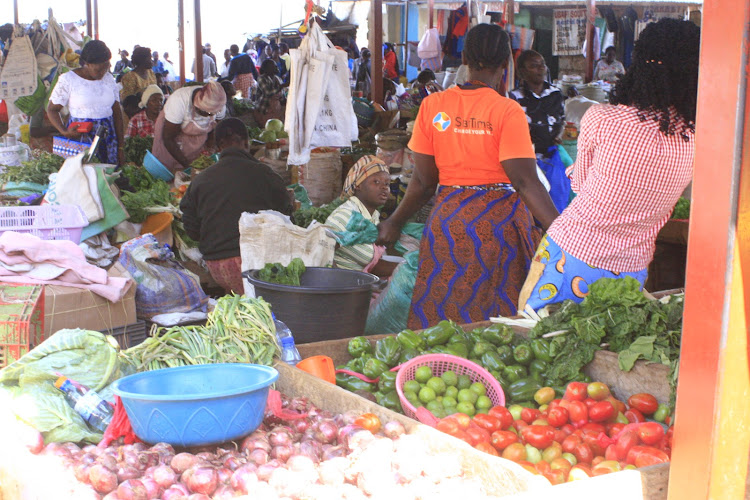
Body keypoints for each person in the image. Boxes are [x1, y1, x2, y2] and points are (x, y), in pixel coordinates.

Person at [376, 24, 559, 329]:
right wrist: (564, 231)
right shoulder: (507, 111)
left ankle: (437, 369)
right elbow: (525, 182)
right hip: (497, 227)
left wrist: (394, 221)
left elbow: (423, 183)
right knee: (496, 323)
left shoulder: (433, 106)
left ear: (465, 59)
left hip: (449, 223)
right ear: (506, 63)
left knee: (444, 318)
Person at [518, 19, 700, 313]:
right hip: (631, 270)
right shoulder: (695, 137)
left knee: (539, 340)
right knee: (604, 351)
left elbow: (581, 187)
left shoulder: (603, 119)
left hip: (572, 255)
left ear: (638, 66)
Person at [180, 118, 293, 294]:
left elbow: (191, 228)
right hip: (256, 265)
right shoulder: (265, 174)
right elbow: (287, 217)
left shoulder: (200, 180)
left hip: (218, 267)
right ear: (247, 143)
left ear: (217, 148)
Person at [48, 40, 125, 165]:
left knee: (106, 176)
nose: (103, 73)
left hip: (108, 138)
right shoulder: (68, 79)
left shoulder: (109, 79)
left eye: (106, 68)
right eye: (99, 69)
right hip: (81, 138)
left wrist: (120, 146)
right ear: (86, 64)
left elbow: (117, 113)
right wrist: (64, 131)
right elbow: (52, 109)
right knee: (83, 176)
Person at [510, 50, 569, 213]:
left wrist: (558, 135)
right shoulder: (514, 98)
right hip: (525, 161)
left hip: (550, 157)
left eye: (542, 64)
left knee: (556, 200)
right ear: (522, 71)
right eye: (533, 66)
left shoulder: (555, 94)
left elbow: (562, 120)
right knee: (529, 206)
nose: (540, 69)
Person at [325, 156, 398, 278]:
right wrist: (408, 267)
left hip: (361, 283)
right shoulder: (346, 215)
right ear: (358, 185)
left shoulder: (373, 216)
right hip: (343, 287)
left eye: (387, 183)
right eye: (376, 182)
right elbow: (375, 266)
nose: (384, 187)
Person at [152, 81, 226, 172]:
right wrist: (188, 166)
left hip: (195, 143)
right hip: (172, 142)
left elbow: (215, 129)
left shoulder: (219, 103)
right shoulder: (179, 101)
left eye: (212, 114)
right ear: (197, 105)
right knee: (173, 171)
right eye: (206, 113)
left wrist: (211, 149)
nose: (208, 116)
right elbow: (168, 138)